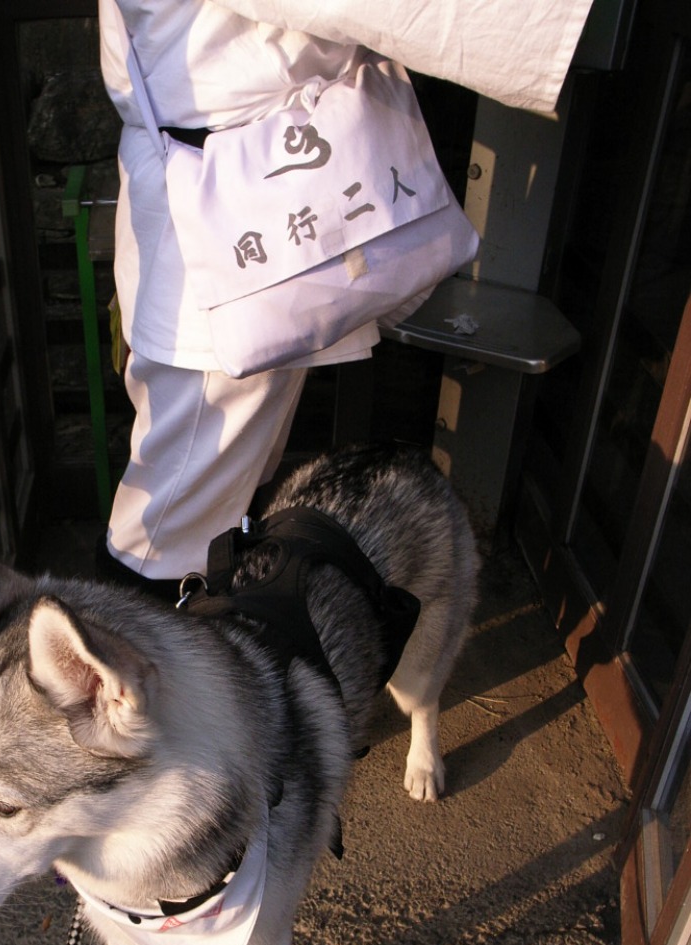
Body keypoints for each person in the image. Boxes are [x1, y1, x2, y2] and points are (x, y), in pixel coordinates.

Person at [96, 0, 594, 596]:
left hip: (245, 195)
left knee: (214, 489)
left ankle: (192, 648)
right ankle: (138, 670)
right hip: (226, 216)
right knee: (170, 523)